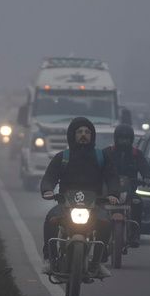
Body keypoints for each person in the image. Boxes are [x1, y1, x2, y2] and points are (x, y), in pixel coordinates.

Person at [40, 117, 120, 275]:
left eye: (87, 132)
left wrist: (113, 193)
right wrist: (47, 190)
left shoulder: (101, 157)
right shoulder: (62, 157)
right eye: (79, 132)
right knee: (51, 219)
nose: (84, 135)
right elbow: (49, 177)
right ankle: (51, 260)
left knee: (106, 222)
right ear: (72, 135)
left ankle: (98, 262)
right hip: (65, 205)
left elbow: (112, 177)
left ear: (92, 135)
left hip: (94, 205)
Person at [102, 124, 150, 248]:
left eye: (127, 139)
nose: (124, 142)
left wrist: (147, 177)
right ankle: (99, 235)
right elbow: (98, 166)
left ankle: (134, 234)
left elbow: (144, 167)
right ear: (116, 139)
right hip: (108, 192)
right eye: (121, 139)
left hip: (129, 192)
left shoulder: (137, 154)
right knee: (98, 207)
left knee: (137, 203)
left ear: (131, 140)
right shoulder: (107, 152)